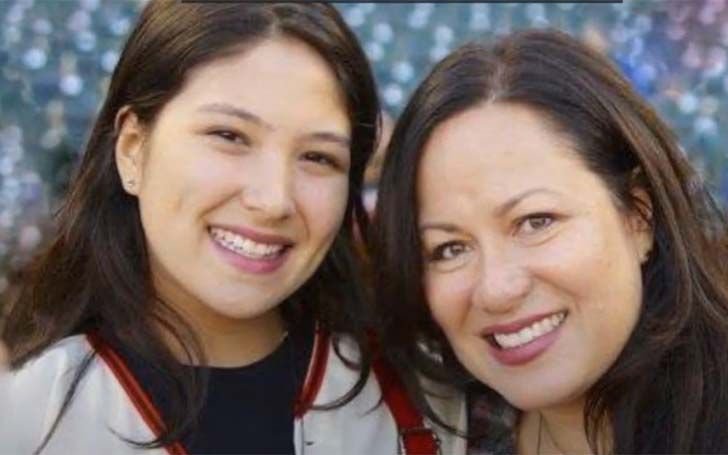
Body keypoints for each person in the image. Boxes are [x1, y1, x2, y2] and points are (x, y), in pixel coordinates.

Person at [0, 2, 464, 454]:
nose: (273, 199)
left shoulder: (429, 400)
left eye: (319, 157)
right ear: (132, 148)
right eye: (229, 136)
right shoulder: (27, 415)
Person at [372, 29, 728, 454]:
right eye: (450, 249)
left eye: (535, 222)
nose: (496, 289)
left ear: (638, 216)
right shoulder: (438, 434)